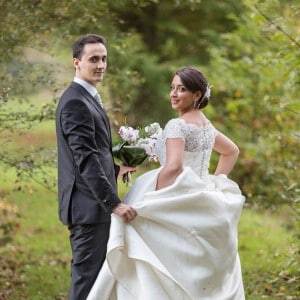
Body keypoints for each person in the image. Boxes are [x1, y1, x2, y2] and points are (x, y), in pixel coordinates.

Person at [87, 66, 245, 299]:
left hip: (177, 193)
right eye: (172, 88)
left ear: (197, 95)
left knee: (146, 249)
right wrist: (214, 182)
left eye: (182, 89)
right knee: (187, 262)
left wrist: (156, 197)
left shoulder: (177, 125)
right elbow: (231, 152)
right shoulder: (206, 126)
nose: (174, 93)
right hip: (202, 196)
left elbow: (174, 167)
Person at [55, 34, 137, 300]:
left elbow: (94, 152)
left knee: (97, 281)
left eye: (103, 58)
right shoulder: (75, 102)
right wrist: (113, 203)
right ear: (76, 62)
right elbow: (85, 158)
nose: (101, 64)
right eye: (94, 59)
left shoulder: (86, 97)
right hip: (88, 209)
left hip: (91, 206)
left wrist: (116, 171)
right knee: (87, 282)